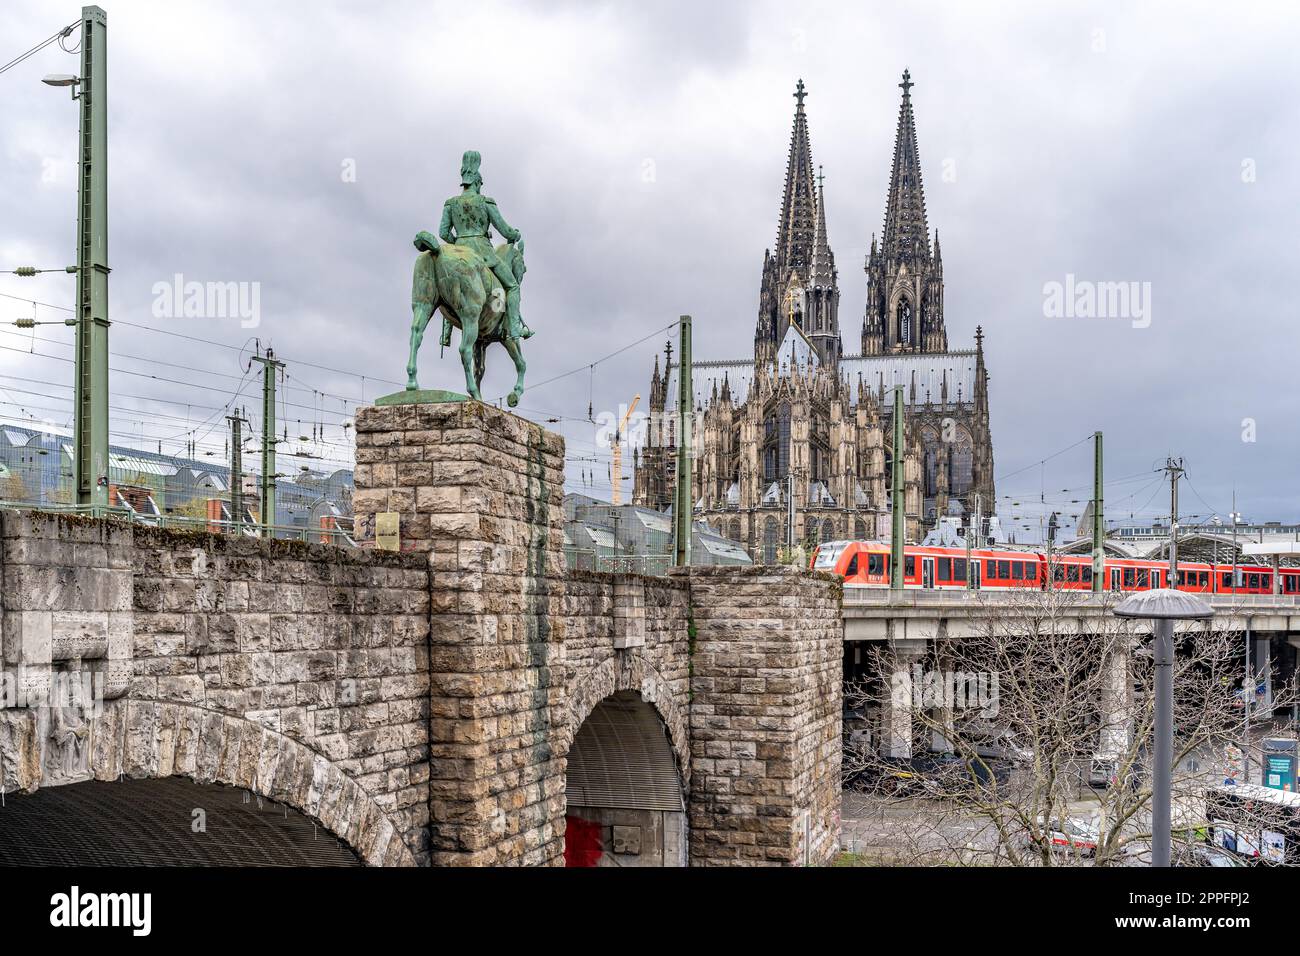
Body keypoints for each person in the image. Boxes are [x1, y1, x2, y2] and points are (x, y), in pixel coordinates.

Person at [436, 150, 532, 346]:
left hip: (459, 250)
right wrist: (515, 234)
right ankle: (514, 328)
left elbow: (443, 233)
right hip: (483, 253)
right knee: (512, 286)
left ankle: (446, 334)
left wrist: (457, 244)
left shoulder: (451, 203)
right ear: (478, 183)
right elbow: (505, 230)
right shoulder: (485, 201)